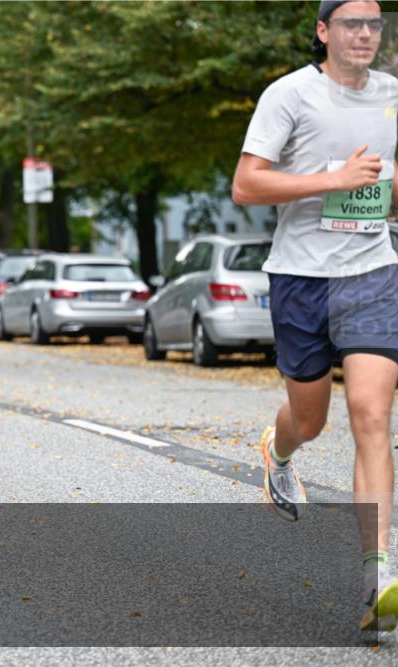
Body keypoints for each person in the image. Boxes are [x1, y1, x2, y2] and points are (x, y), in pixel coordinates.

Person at [232, 0, 397, 632]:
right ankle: (281, 449)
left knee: (372, 412)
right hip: (300, 276)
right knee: (311, 417)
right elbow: (247, 186)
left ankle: (377, 575)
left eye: (374, 24)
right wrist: (335, 180)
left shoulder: (391, 95)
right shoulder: (290, 95)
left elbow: (384, 181)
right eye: (351, 23)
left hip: (373, 271)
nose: (364, 34)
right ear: (324, 32)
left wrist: (387, 183)